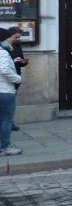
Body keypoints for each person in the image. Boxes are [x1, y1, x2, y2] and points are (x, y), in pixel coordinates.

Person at [0, 28, 23, 156]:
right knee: (6, 120)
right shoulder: (2, 52)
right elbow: (5, 70)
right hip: (5, 90)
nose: (11, 40)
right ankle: (5, 147)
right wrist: (18, 78)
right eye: (9, 38)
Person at [6, 27, 27, 131]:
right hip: (6, 78)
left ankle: (11, 122)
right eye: (16, 37)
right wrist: (13, 61)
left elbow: (21, 59)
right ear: (9, 36)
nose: (18, 39)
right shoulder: (4, 47)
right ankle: (6, 123)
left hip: (16, 75)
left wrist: (23, 62)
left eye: (19, 37)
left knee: (12, 101)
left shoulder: (18, 45)